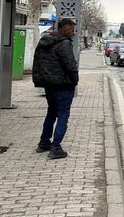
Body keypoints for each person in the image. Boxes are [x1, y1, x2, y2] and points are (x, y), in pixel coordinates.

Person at [32, 18, 79, 159]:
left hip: (49, 85)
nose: (74, 33)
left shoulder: (44, 41)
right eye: (73, 30)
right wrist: (75, 80)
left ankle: (44, 143)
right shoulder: (64, 44)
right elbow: (70, 65)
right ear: (66, 29)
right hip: (63, 85)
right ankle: (56, 148)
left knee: (51, 113)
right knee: (63, 115)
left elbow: (37, 61)